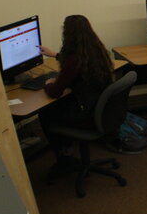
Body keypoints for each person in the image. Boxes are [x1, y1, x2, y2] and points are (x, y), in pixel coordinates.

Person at [38, 15, 115, 167]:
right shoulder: (96, 50)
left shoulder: (74, 60)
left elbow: (55, 92)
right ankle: (67, 149)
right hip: (101, 109)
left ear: (67, 34)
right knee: (63, 103)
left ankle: (64, 156)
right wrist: (56, 55)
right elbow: (76, 66)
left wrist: (47, 83)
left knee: (46, 113)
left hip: (86, 114)